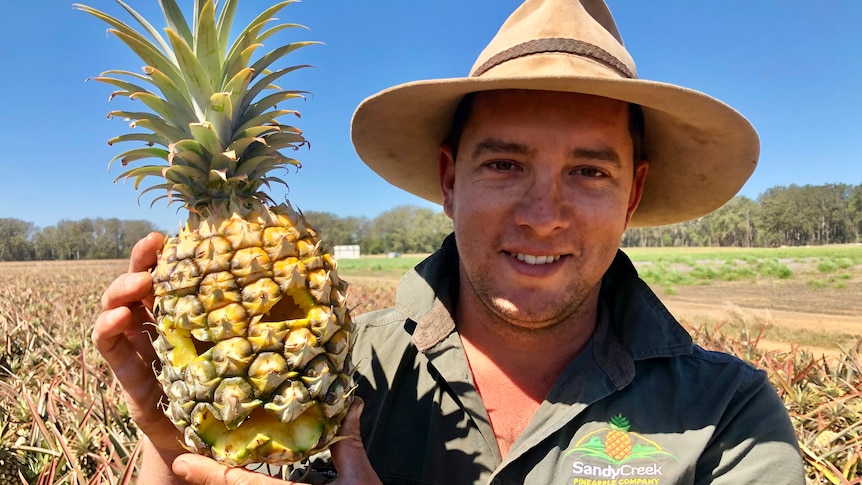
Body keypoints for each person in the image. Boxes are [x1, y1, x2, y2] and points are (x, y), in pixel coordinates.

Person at [94, 0, 806, 483]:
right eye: (504, 164)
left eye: (589, 171)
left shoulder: (730, 419)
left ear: (635, 193)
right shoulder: (343, 362)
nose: (542, 213)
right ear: (448, 178)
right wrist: (169, 439)